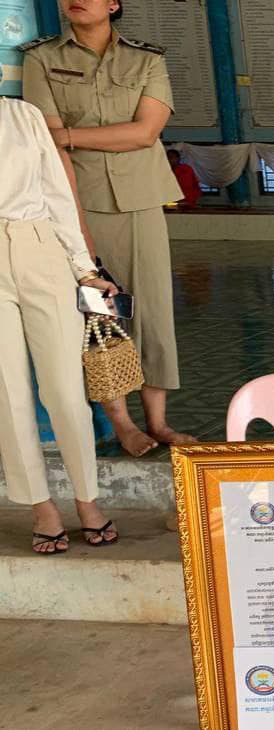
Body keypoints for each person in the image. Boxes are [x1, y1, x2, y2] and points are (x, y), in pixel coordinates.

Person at [20, 0, 194, 456]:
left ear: (114, 4)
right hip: (77, 201)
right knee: (99, 313)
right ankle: (124, 425)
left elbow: (145, 132)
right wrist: (75, 214)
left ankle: (158, 422)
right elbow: (47, 141)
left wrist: (72, 136)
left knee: (153, 312)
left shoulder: (147, 59)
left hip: (141, 199)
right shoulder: (41, 59)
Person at [0, 96, 121, 551]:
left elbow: (57, 194)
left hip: (40, 246)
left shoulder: (23, 115)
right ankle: (41, 507)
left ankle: (87, 499)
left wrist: (83, 268)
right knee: (8, 395)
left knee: (66, 392)